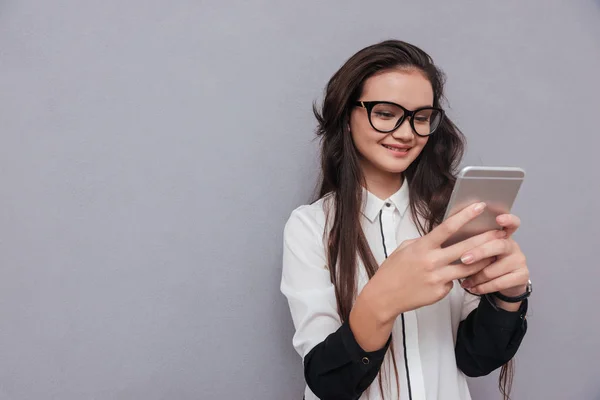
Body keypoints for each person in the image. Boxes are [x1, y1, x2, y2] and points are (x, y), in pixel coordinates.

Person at [280, 40, 530, 400]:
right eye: (385, 113)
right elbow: (328, 381)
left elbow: (476, 360)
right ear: (346, 117)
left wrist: (509, 296)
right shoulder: (310, 226)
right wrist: (383, 298)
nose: (406, 132)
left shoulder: (451, 218)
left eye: (422, 117)